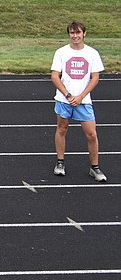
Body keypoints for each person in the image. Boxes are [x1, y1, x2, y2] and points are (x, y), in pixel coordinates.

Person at [51, 21, 106, 182]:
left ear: (84, 34)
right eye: (72, 33)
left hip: (83, 101)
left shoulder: (92, 53)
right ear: (69, 34)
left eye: (78, 33)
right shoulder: (61, 52)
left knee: (91, 134)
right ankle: (60, 163)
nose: (75, 36)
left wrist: (80, 97)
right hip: (64, 99)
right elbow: (55, 76)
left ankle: (94, 167)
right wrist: (68, 95)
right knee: (62, 129)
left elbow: (95, 78)